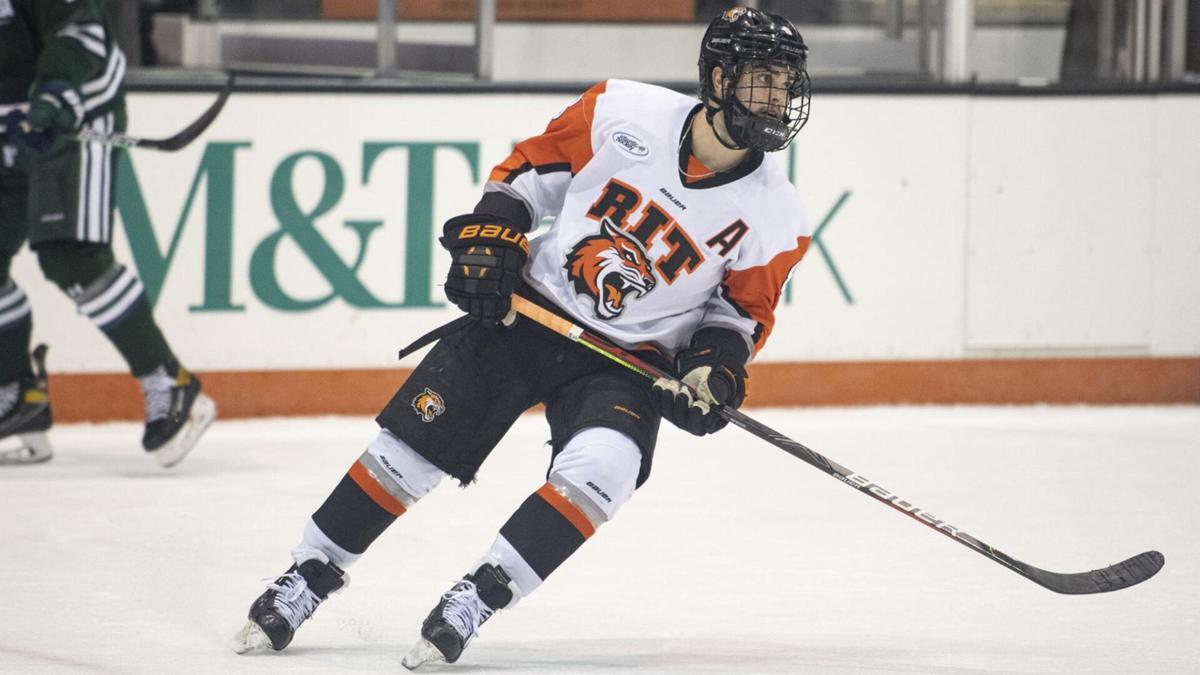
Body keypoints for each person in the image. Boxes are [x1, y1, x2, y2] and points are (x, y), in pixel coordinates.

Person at [233, 6, 813, 667]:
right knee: (410, 450)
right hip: (532, 309)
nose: (778, 98)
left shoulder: (778, 214)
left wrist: (714, 372)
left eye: (786, 83)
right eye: (763, 80)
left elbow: (738, 316)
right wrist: (496, 231)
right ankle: (310, 571)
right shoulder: (621, 110)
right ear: (717, 77)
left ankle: (481, 592)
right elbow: (530, 172)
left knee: (606, 469)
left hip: (627, 361)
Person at [0, 0, 216, 467]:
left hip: (72, 111)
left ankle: (169, 381)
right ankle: (17, 393)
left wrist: (54, 97)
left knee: (71, 255)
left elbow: (83, 33)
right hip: (9, 125)